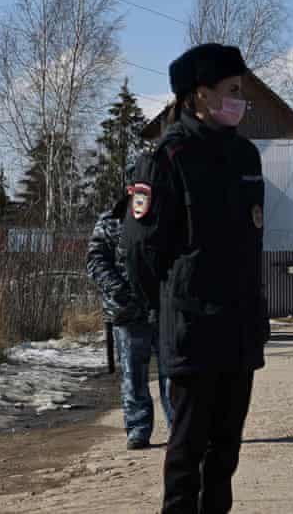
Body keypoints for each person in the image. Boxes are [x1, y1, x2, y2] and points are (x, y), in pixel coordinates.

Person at [123, 43, 269, 514]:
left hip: (240, 329)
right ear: (200, 94)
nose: (240, 100)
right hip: (193, 332)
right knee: (188, 452)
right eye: (232, 90)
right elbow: (141, 251)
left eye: (241, 91)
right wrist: (171, 305)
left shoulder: (246, 156)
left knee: (225, 454)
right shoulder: (168, 158)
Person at [86, 171, 173, 450]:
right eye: (138, 188)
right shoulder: (110, 221)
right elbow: (96, 261)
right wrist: (118, 290)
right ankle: (138, 429)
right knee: (133, 374)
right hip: (127, 310)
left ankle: (179, 429)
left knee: (173, 373)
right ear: (129, 189)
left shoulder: (167, 219)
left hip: (164, 308)